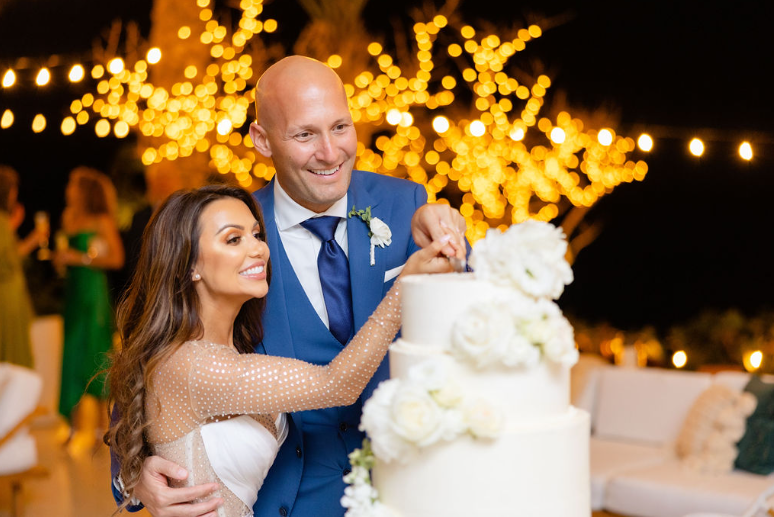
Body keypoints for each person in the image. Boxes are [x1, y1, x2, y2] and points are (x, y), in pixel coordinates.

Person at [114, 55, 467, 516]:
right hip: (284, 502)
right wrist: (134, 479)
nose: (330, 152)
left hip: (406, 489)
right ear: (262, 140)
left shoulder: (407, 206)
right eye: (304, 134)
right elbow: (147, 361)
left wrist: (457, 253)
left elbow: (473, 317)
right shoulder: (234, 230)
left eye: (340, 127)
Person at [108, 184, 452, 516]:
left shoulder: (232, 343)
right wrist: (403, 287)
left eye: (257, 235)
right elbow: (337, 384)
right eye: (233, 239)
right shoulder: (192, 364)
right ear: (189, 265)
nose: (258, 248)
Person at [54, 166, 125, 455]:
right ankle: (72, 427)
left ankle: (100, 431)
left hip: (93, 296)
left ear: (85, 191)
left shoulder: (102, 220)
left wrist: (80, 258)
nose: (68, 189)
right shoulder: (68, 218)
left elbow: (116, 259)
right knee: (71, 356)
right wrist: (61, 261)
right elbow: (64, 260)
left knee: (96, 358)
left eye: (73, 185)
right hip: (72, 295)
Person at [0, 165, 47, 368]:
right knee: (11, 353)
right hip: (7, 297)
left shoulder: (4, 222)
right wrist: (34, 239)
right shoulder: (1, 221)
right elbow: (9, 258)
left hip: (11, 294)